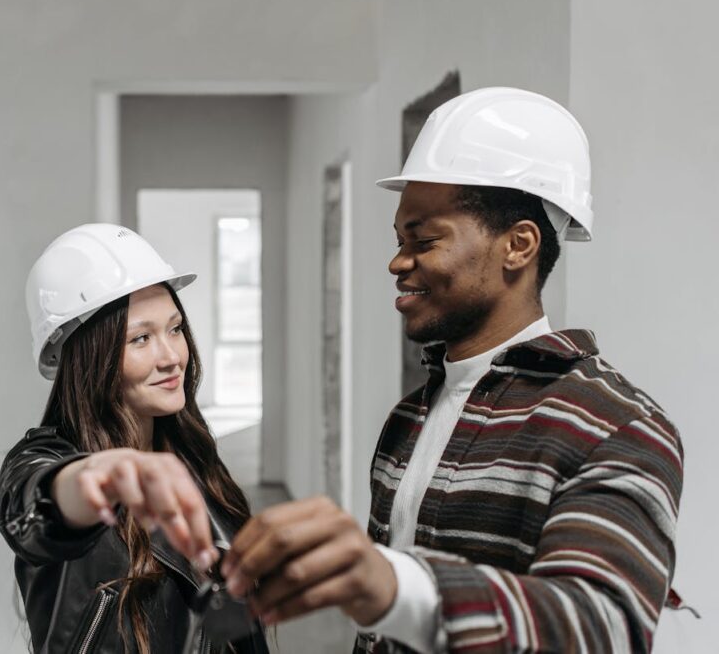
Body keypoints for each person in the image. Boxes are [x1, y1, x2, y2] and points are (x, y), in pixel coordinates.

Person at [219, 88, 683, 653]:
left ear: (519, 245)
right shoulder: (409, 417)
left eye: (424, 240)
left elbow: (601, 626)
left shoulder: (618, 426)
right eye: (398, 240)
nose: (396, 262)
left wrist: (393, 583)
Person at [0, 223, 268, 653]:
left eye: (174, 329)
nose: (172, 357)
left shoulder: (191, 455)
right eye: (141, 338)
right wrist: (104, 477)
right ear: (91, 357)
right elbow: (30, 507)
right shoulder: (45, 458)